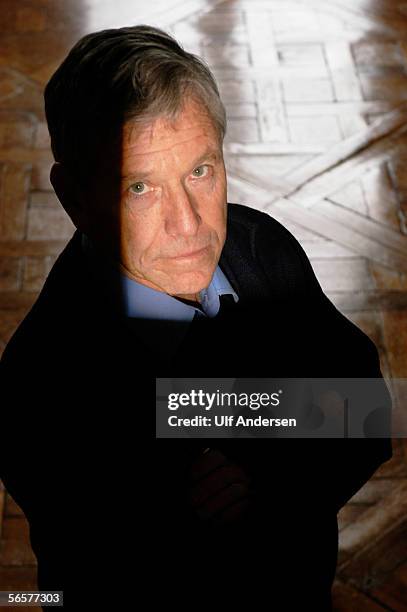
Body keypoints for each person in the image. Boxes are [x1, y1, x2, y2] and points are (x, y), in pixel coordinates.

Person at [0, 25, 392, 610]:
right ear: (73, 198)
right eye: (140, 187)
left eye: (200, 172)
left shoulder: (262, 247)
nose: (189, 226)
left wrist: (257, 454)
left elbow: (372, 412)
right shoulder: (38, 384)